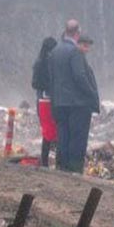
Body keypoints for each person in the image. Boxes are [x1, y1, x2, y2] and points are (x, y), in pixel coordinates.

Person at [48, 20, 99, 173]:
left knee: (63, 136)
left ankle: (61, 167)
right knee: (77, 138)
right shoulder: (75, 51)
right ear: (77, 33)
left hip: (59, 102)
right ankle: (75, 169)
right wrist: (91, 94)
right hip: (77, 104)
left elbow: (52, 78)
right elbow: (80, 76)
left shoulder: (55, 51)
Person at [32, 37, 58, 167]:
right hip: (47, 102)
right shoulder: (49, 64)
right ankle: (48, 160)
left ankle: (45, 161)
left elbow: (34, 83)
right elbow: (35, 83)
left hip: (41, 101)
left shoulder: (38, 63)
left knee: (47, 131)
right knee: (52, 130)